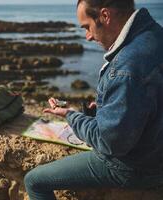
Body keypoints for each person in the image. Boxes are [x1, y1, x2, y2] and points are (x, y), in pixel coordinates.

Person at [24, 0, 163, 199]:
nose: (87, 36)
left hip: (136, 168)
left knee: (34, 181)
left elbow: (110, 144)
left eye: (87, 27)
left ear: (105, 16)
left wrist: (70, 115)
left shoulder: (125, 68)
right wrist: (109, 107)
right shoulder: (156, 34)